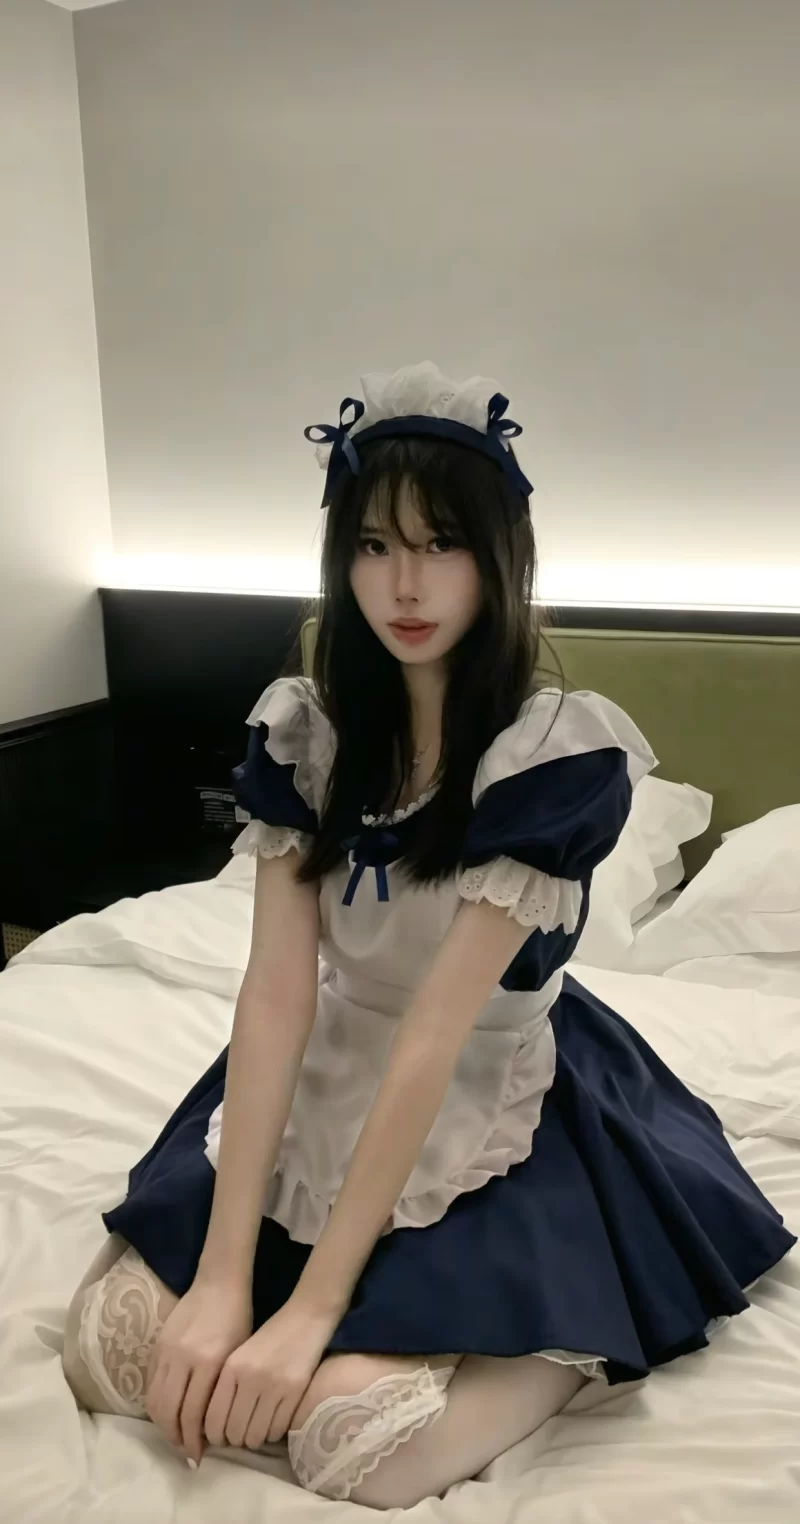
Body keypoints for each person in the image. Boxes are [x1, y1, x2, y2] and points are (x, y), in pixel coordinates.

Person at [63, 361, 795, 1508]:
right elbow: (275, 997)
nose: (402, 584)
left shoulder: (551, 757)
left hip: (485, 1081)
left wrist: (309, 1311)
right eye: (372, 545)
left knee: (358, 1451)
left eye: (440, 543)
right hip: (319, 1065)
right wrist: (220, 1279)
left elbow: (434, 1039)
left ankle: (559, 1336)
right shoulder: (306, 736)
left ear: (499, 559)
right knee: (110, 1357)